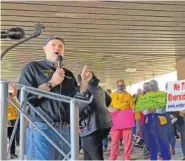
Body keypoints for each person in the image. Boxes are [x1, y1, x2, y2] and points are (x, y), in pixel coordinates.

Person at [18, 36, 92, 160]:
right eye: (53, 45)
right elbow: (25, 97)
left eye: (61, 46)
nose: (57, 47)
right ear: (44, 49)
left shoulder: (68, 74)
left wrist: (84, 84)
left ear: (64, 52)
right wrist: (51, 82)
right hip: (42, 129)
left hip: (66, 130)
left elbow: (75, 101)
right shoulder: (32, 67)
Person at [78, 72, 112, 160]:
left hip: (92, 127)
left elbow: (78, 109)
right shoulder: (99, 88)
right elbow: (109, 100)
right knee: (89, 153)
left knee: (94, 155)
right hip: (105, 124)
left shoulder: (83, 91)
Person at [109, 80, 135, 160]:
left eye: (122, 85)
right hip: (115, 121)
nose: (121, 86)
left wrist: (128, 112)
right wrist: (113, 109)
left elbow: (133, 108)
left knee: (127, 141)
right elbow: (107, 106)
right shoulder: (111, 95)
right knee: (114, 141)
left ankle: (127, 157)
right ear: (117, 86)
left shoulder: (129, 96)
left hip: (126, 121)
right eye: (119, 85)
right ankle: (113, 157)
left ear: (125, 85)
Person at [7, 92, 19, 159]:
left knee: (12, 139)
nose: (9, 98)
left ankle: (12, 154)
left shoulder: (14, 103)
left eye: (10, 96)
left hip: (13, 123)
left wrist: (15, 101)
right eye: (8, 97)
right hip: (5, 123)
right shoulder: (3, 103)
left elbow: (19, 109)